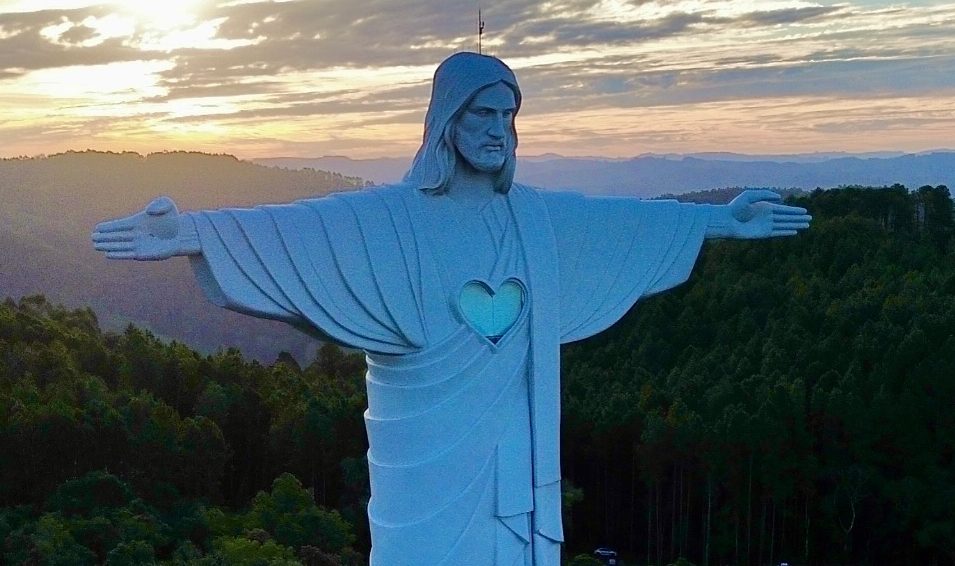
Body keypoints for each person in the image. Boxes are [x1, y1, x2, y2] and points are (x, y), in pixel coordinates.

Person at [92, 52, 810, 565]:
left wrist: (721, 221)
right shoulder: (394, 218)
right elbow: (305, 230)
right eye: (482, 113)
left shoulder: (534, 219)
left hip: (510, 454)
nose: (498, 128)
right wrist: (191, 233)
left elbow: (619, 224)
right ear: (447, 121)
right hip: (420, 455)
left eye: (508, 114)